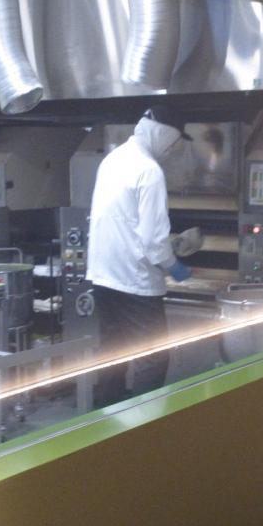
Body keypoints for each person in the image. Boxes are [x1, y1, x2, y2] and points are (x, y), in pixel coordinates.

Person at [86, 106, 193, 408]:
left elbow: (126, 222)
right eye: (174, 142)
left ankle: (106, 416)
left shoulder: (112, 159)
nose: (172, 150)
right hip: (135, 282)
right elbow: (153, 242)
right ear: (163, 134)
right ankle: (144, 419)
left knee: (113, 352)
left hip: (103, 275)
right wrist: (175, 267)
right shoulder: (149, 171)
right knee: (153, 357)